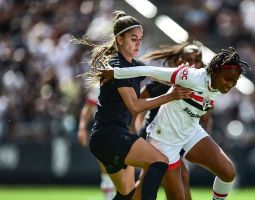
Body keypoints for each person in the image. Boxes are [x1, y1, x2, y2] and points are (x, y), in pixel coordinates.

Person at [100, 47, 250, 200]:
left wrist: (205, 110)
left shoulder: (218, 85)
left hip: (190, 132)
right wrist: (116, 73)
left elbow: (201, 100)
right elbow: (151, 71)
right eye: (228, 79)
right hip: (164, 140)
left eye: (234, 81)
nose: (230, 84)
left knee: (228, 172)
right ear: (215, 71)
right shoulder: (190, 76)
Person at [78, 10, 192, 200]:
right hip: (111, 135)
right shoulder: (118, 66)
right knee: (159, 162)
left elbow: (157, 75)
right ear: (120, 40)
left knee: (127, 195)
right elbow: (134, 106)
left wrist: (183, 77)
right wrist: (171, 96)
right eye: (133, 39)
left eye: (140, 38)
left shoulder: (132, 65)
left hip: (106, 138)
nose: (138, 43)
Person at [135, 41, 212, 200]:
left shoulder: (202, 87)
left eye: (196, 60)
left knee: (153, 179)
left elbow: (206, 118)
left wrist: (204, 136)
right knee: (179, 175)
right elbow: (137, 104)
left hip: (177, 137)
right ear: (179, 61)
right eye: (188, 59)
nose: (192, 64)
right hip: (155, 133)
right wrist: (133, 127)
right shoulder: (162, 83)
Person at [77, 85, 115, 200]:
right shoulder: (98, 87)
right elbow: (88, 107)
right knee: (106, 168)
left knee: (121, 170)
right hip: (103, 130)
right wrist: (82, 128)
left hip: (121, 129)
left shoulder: (126, 80)